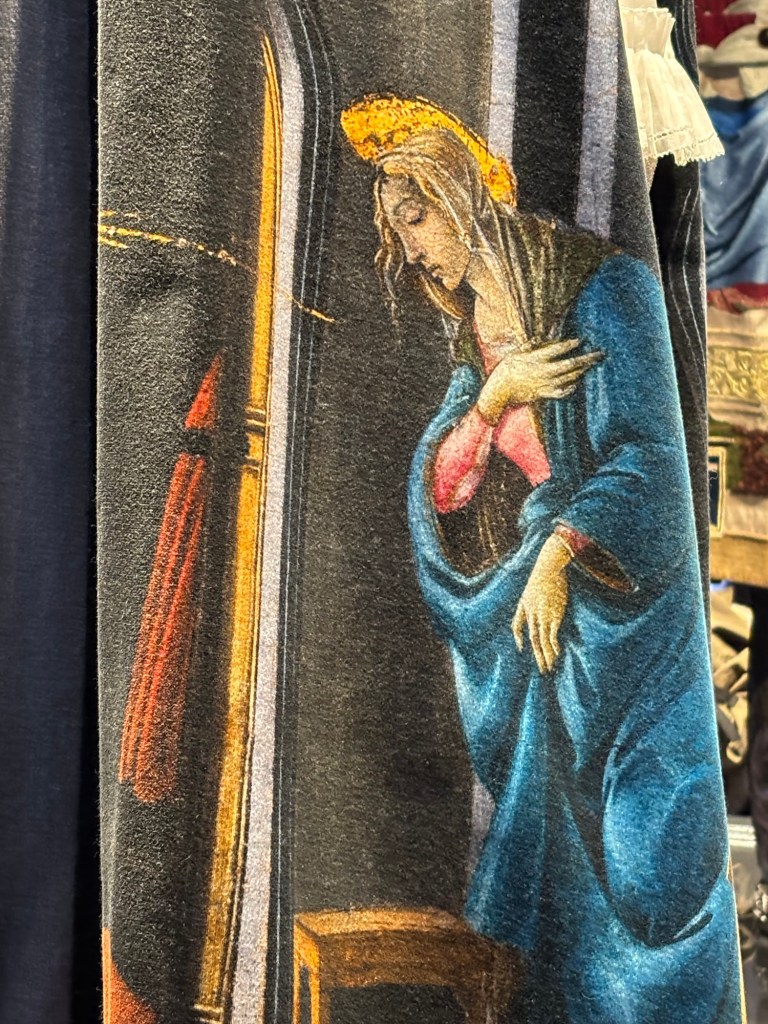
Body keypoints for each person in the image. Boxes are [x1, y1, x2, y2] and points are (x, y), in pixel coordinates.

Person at [343, 97, 743, 1024]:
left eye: (416, 218)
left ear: (460, 197)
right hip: (548, 636)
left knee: (651, 863)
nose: (410, 249)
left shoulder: (607, 289)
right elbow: (445, 487)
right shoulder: (479, 323)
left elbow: (650, 456)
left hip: (630, 620)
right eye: (396, 230)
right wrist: (494, 398)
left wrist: (560, 555)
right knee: (559, 857)